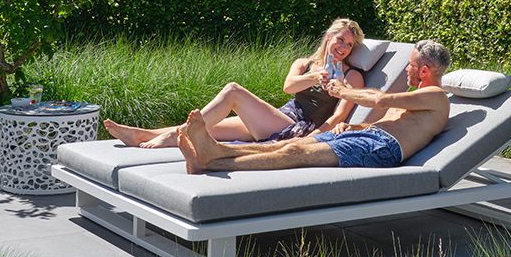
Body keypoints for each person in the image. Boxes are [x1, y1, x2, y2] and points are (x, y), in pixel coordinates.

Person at [177, 40, 452, 174]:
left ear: (424, 70)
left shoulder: (436, 96)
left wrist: (343, 91)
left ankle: (211, 164)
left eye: (410, 65)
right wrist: (353, 125)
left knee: (295, 152)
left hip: (383, 148)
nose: (406, 69)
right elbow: (385, 121)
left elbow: (381, 100)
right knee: (287, 144)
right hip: (367, 135)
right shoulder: (417, 98)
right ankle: (213, 153)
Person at [103, 18, 368, 148]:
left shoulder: (352, 77)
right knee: (206, 129)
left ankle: (169, 137)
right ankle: (139, 135)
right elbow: (288, 88)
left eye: (349, 44)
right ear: (328, 37)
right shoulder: (304, 64)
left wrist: (310, 141)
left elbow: (337, 117)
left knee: (233, 91)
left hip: (298, 128)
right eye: (340, 39)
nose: (343, 47)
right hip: (279, 117)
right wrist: (314, 77)